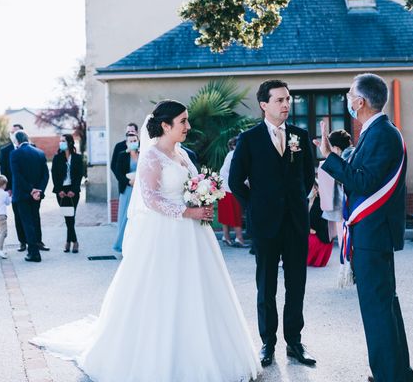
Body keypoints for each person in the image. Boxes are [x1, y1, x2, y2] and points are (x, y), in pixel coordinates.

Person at [31, 100, 260, 382]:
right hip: (165, 232)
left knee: (199, 289)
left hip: (194, 234)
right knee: (162, 291)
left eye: (187, 120)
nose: (188, 126)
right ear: (166, 125)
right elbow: (151, 198)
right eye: (183, 121)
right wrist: (188, 211)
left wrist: (204, 196)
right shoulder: (151, 156)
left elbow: (193, 183)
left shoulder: (183, 155)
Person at [315, 73, 413, 382]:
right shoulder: (374, 131)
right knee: (383, 305)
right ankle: (395, 373)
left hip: (374, 234)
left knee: (378, 309)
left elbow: (364, 181)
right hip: (372, 233)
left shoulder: (382, 133)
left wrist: (329, 157)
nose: (347, 100)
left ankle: (389, 376)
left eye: (349, 95)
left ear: (360, 101)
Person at [229, 79, 316, 368]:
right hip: (265, 224)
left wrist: (294, 202)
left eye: (288, 99)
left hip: (295, 222)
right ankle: (268, 343)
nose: (286, 105)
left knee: (296, 285)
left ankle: (295, 342)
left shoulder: (300, 137)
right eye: (279, 100)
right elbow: (234, 181)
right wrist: (255, 206)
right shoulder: (249, 139)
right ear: (264, 104)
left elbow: (306, 177)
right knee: (266, 286)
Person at [317, 129, 355, 286]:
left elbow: (342, 176)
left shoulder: (347, 156)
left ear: (336, 148)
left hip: (344, 207)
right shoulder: (352, 152)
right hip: (346, 206)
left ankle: (347, 272)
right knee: (346, 240)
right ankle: (348, 271)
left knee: (345, 240)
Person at [10, 130, 49, 262]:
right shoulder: (40, 152)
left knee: (27, 223)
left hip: (22, 195)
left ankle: (34, 253)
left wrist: (31, 190)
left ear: (17, 141)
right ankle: (37, 245)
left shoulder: (15, 154)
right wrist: (39, 190)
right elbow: (45, 175)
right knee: (35, 220)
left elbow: (17, 176)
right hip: (37, 195)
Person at [51, 134, 84, 254]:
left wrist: (74, 190)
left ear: (70, 143)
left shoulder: (77, 158)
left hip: (73, 190)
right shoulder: (57, 158)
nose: (61, 143)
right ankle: (73, 241)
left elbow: (79, 175)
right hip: (61, 191)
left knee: (71, 216)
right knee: (67, 217)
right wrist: (59, 190)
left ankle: (70, 242)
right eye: (60, 141)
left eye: (63, 141)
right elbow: (54, 175)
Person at [0, 123, 27, 252]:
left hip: (29, 189)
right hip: (14, 189)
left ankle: (37, 241)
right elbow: (3, 171)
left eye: (17, 132)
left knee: (33, 215)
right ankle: (22, 242)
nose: (14, 134)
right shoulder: (5, 151)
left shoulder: (31, 148)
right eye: (13, 132)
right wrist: (7, 188)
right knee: (18, 216)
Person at [112, 132, 139, 253]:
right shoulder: (122, 155)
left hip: (139, 190)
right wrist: (129, 182)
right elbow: (118, 173)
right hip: (127, 189)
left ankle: (136, 245)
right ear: (127, 143)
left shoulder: (143, 155)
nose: (133, 143)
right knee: (125, 217)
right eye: (131, 141)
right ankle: (122, 245)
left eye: (135, 140)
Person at [218, 137, 248, 248]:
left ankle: (226, 236)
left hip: (225, 187)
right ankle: (239, 238)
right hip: (229, 188)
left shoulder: (232, 154)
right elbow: (229, 172)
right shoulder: (233, 154)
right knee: (235, 213)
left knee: (227, 214)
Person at [306, 183, 334, 267]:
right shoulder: (304, 201)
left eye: (315, 188)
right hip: (311, 231)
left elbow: (315, 225)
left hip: (318, 236)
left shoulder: (320, 202)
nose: (313, 190)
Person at [110, 122, 139, 189]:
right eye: (128, 131)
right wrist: (123, 180)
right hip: (125, 183)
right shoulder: (119, 146)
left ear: (137, 132)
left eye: (132, 131)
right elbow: (113, 165)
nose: (130, 133)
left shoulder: (140, 145)